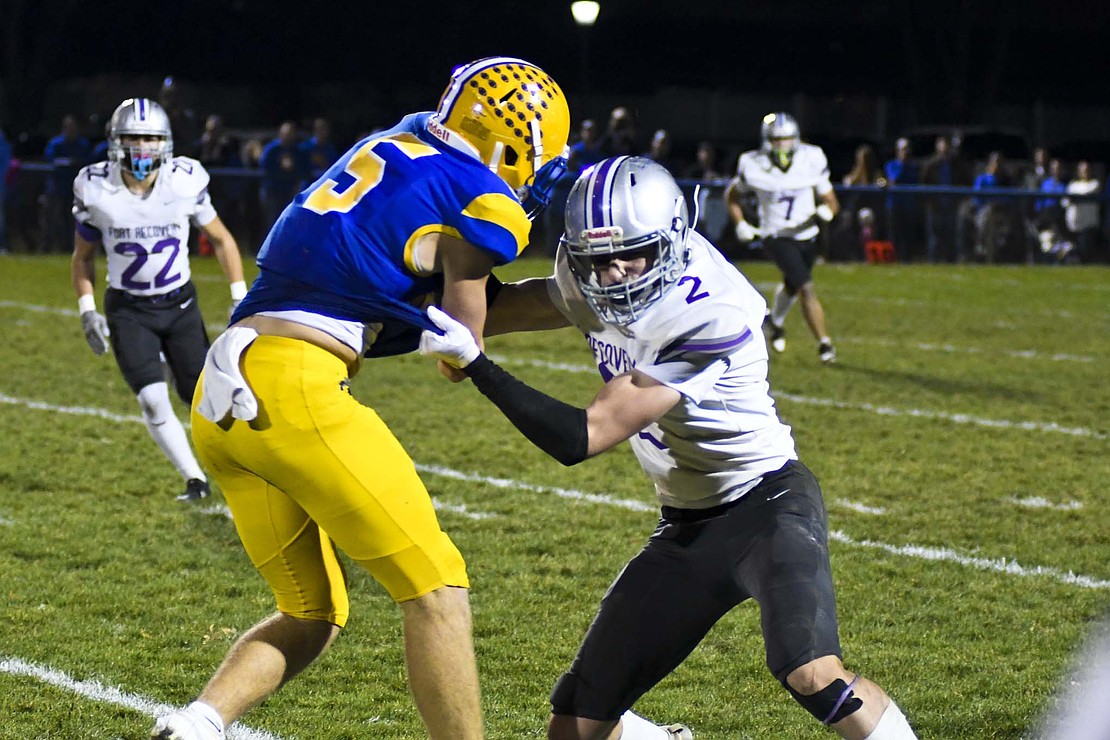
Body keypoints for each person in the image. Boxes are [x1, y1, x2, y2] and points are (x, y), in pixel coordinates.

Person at [419, 156, 918, 740]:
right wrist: (436, 277)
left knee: (813, 674)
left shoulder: (711, 309)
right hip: (685, 524)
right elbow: (514, 305)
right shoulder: (598, 269)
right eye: (599, 261)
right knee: (574, 726)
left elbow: (585, 435)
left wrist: (477, 364)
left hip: (766, 504)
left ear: (674, 237)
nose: (616, 275)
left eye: (633, 255)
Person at [151, 57, 573, 740]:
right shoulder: (482, 201)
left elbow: (419, 297)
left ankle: (196, 724)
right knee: (437, 587)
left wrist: (573, 303)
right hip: (295, 390)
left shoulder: (395, 142)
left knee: (311, 612)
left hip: (222, 389)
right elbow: (458, 350)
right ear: (512, 147)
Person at [71, 98, 246, 502]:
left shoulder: (184, 181)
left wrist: (239, 295)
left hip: (180, 306)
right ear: (116, 141)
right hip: (129, 309)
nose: (143, 147)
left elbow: (222, 239)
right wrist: (87, 310)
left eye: (150, 138)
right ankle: (195, 479)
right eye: (134, 138)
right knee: (152, 399)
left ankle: (246, 469)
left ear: (165, 141)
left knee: (201, 396)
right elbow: (83, 257)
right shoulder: (96, 188)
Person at [724, 112, 840, 364]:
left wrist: (827, 211)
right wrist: (741, 223)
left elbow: (832, 200)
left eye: (786, 138)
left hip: (807, 234)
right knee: (806, 287)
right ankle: (824, 344)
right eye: (776, 139)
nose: (782, 144)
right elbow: (732, 196)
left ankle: (774, 323)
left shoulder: (812, 158)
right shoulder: (752, 163)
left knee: (792, 284)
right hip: (775, 235)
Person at [42, 114, 92, 252]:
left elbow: (86, 162)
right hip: (56, 187)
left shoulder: (82, 144)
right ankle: (46, 247)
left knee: (72, 220)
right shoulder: (56, 144)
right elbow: (50, 160)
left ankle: (69, 247)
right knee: (51, 219)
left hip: (74, 189)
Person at [258, 120, 309, 231]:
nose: (288, 136)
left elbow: (305, 169)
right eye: (286, 133)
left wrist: (293, 168)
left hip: (291, 191)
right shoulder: (272, 149)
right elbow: (264, 166)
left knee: (289, 220)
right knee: (272, 221)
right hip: (272, 191)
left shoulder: (297, 151)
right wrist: (280, 166)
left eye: (290, 134)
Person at [883, 137, 922, 260]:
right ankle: (893, 258)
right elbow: (894, 179)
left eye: (907, 149)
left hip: (909, 206)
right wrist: (902, 165)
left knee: (909, 234)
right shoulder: (891, 165)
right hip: (894, 205)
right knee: (894, 233)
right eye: (902, 149)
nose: (905, 152)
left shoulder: (914, 167)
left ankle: (907, 258)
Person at [1063, 160, 1103, 263]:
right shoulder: (1073, 185)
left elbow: (1085, 194)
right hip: (1073, 225)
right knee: (1073, 252)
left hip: (1088, 225)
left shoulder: (1094, 184)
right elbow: (1065, 201)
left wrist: (1075, 198)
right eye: (1082, 170)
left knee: (1085, 253)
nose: (1085, 172)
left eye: (1087, 170)